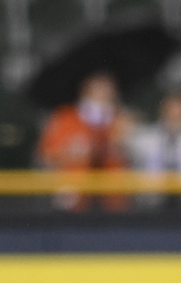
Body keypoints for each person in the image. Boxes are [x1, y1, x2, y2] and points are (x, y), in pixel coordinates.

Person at [36, 71, 131, 211]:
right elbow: (46, 157)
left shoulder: (121, 120)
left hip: (113, 201)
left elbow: (133, 158)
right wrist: (75, 153)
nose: (104, 96)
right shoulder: (66, 118)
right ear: (86, 93)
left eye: (108, 92)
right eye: (98, 91)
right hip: (74, 199)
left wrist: (120, 142)